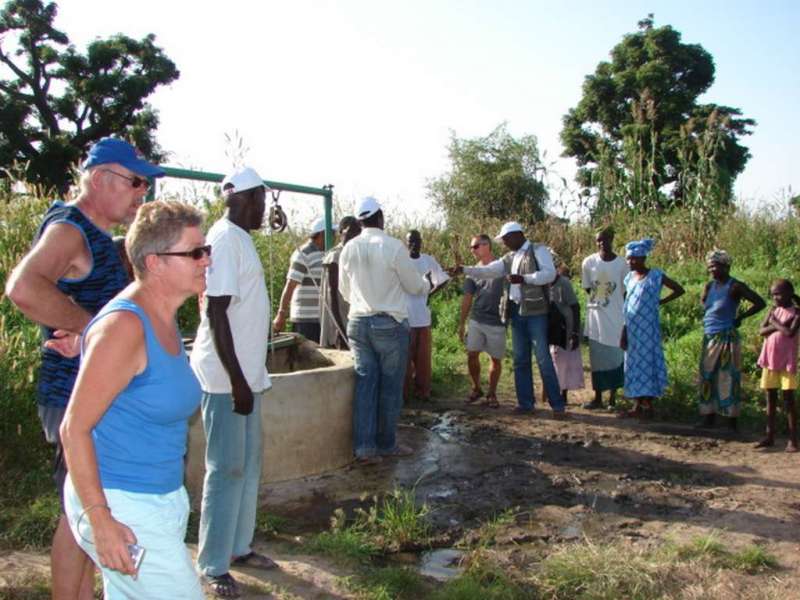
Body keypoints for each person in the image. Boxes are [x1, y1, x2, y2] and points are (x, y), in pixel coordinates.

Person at [5, 137, 162, 600]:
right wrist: (94, 329)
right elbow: (22, 287)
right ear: (99, 179)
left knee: (81, 511)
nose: (142, 193)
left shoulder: (92, 233)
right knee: (79, 515)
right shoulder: (70, 229)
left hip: (91, 395)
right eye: (136, 182)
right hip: (74, 397)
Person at [59, 200, 208, 599]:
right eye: (194, 252)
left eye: (205, 250)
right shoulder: (125, 326)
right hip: (121, 506)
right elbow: (73, 428)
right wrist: (100, 520)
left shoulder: (164, 314)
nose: (205, 260)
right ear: (155, 262)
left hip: (158, 500)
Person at [190, 167, 277, 598]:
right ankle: (211, 564)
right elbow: (216, 312)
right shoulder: (224, 239)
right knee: (226, 469)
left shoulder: (240, 238)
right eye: (262, 200)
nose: (265, 209)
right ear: (246, 197)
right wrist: (237, 380)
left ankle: (238, 548)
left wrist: (250, 378)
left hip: (246, 377)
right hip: (227, 378)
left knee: (249, 466)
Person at [339, 197, 429, 464]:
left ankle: (365, 448)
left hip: (357, 322)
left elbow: (345, 291)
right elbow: (414, 287)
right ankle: (386, 444)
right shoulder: (392, 247)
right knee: (390, 387)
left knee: (366, 384)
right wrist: (425, 283)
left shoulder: (349, 248)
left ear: (360, 221)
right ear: (380, 217)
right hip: (389, 323)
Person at [454, 222, 566, 417]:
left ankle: (557, 405)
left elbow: (549, 274)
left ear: (516, 235)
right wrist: (464, 269)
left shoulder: (538, 250)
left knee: (542, 358)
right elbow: (488, 270)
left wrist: (525, 278)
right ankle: (525, 403)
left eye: (505, 239)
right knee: (520, 359)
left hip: (536, 311)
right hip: (515, 311)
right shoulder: (509, 257)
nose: (504, 243)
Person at [697, 249, 765, 430]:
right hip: (710, 336)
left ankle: (730, 421)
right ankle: (708, 416)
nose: (712, 269)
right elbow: (704, 304)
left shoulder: (735, 286)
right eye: (710, 266)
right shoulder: (709, 286)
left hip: (727, 336)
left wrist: (740, 317)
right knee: (706, 376)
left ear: (726, 267)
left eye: (716, 265)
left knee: (727, 377)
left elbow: (759, 302)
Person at [620, 238, 685, 419]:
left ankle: (648, 406)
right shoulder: (629, 279)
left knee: (647, 364)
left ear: (642, 258)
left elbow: (679, 289)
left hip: (648, 330)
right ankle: (637, 404)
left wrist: (659, 301)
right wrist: (624, 330)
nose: (630, 262)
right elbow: (627, 305)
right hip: (632, 328)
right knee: (633, 364)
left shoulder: (656, 276)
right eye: (629, 259)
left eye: (634, 259)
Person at [581, 226, 627, 410]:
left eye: (604, 240)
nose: (601, 243)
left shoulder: (622, 264)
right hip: (595, 317)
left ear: (611, 240)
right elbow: (587, 287)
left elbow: (625, 291)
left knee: (615, 356)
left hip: (615, 316)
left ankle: (613, 398)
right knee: (597, 358)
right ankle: (598, 397)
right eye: (598, 240)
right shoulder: (589, 262)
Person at [458, 234, 506, 408]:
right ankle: (476, 388)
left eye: (475, 246)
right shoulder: (472, 271)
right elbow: (467, 298)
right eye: (471, 247)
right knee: (472, 354)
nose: (472, 250)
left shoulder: (501, 267)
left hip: (497, 320)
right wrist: (462, 323)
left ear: (487, 246)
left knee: (495, 359)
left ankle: (492, 393)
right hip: (477, 319)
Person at [403, 229, 450, 403]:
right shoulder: (402, 262)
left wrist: (430, 293)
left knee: (423, 359)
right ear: (406, 243)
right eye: (410, 241)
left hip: (422, 317)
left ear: (421, 242)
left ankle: (423, 392)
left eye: (417, 241)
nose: (414, 244)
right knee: (405, 359)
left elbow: (443, 280)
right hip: (405, 318)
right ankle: (405, 394)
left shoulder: (428, 260)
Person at [755, 279, 799, 452]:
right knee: (770, 398)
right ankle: (769, 435)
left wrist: (774, 323)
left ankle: (793, 440)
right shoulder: (773, 310)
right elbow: (761, 331)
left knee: (789, 400)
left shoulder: (796, 312)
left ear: (790, 293)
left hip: (787, 360)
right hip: (769, 358)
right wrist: (779, 325)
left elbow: (789, 333)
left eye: (779, 294)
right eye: (773, 294)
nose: (775, 298)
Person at [273, 217, 327, 343]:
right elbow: (290, 285)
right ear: (322, 234)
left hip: (320, 318)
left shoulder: (324, 254)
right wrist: (281, 314)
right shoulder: (303, 253)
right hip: (306, 319)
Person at [320, 216, 362, 349]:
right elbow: (331, 296)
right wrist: (339, 328)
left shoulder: (354, 254)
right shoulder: (335, 256)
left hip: (350, 318)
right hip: (339, 322)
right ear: (341, 233)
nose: (354, 237)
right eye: (350, 233)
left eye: (357, 233)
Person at [547, 260, 584, 406]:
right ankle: (554, 391)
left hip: (565, 327)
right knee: (553, 359)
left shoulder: (564, 283)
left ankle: (563, 394)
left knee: (563, 361)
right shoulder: (543, 284)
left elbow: (575, 307)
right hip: (551, 326)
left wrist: (574, 332)